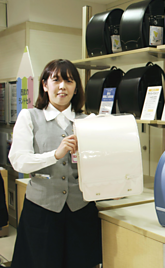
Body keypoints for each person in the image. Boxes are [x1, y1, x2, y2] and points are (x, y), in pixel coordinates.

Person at [8, 59, 102, 268]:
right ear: (44, 84)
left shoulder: (88, 121)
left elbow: (100, 166)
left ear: (76, 88)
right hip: (42, 213)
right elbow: (18, 161)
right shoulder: (29, 116)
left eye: (69, 81)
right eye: (56, 80)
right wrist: (55, 154)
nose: (62, 86)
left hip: (81, 211)